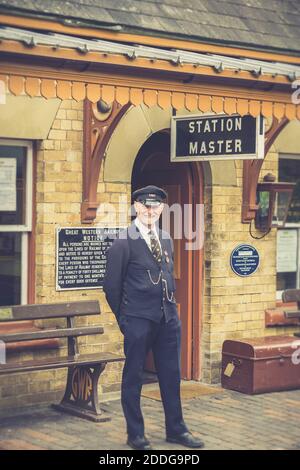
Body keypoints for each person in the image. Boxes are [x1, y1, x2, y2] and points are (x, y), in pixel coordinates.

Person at [103, 185, 204, 450]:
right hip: (137, 320)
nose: (151, 210)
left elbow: (167, 276)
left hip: (168, 319)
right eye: (146, 205)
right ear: (136, 206)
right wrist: (124, 319)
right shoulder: (123, 241)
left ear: (162, 209)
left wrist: (171, 314)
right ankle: (135, 434)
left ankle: (176, 429)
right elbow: (111, 287)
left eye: (156, 206)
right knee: (133, 376)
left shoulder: (166, 238)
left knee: (171, 375)